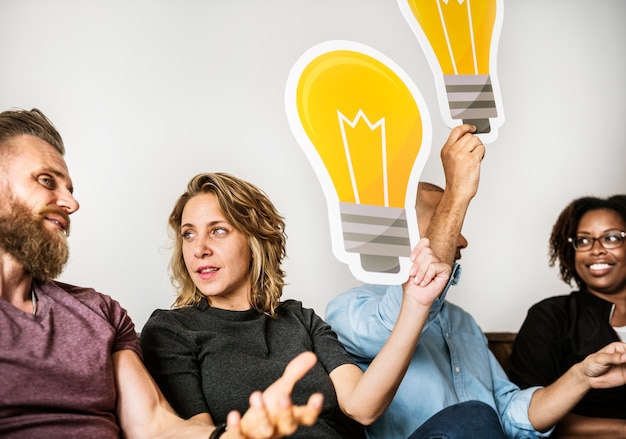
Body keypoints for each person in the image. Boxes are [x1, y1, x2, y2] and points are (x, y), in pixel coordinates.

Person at [0, 107, 325, 439]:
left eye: (70, 188)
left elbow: (153, 424)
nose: (70, 202)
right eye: (46, 180)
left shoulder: (100, 312)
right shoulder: (173, 330)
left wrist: (231, 436)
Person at [325, 124, 626, 439]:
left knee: (481, 416)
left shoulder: (463, 324)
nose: (463, 239)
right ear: (403, 235)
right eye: (447, 222)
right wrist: (456, 193)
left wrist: (582, 376)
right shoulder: (349, 311)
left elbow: (511, 414)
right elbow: (404, 314)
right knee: (474, 415)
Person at [139, 172, 451, 439]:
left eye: (218, 230)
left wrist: (415, 302)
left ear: (255, 237)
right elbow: (198, 433)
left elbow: (363, 406)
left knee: (471, 418)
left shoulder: (299, 319)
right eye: (188, 235)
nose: (199, 249)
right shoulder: (171, 330)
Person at [509, 195, 626, 438]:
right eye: (583, 240)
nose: (596, 250)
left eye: (612, 237)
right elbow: (525, 414)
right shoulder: (551, 316)